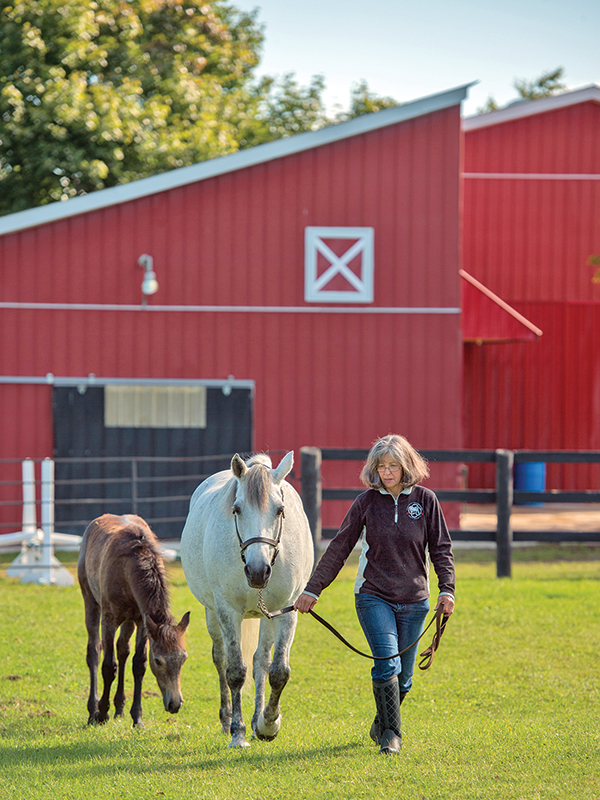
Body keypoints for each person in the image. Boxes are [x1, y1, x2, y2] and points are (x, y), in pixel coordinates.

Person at [294, 434, 455, 755]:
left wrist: (446, 589)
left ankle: (383, 719)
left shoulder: (425, 501)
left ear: (407, 466)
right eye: (382, 467)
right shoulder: (366, 503)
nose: (387, 472)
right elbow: (339, 548)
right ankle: (391, 736)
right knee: (386, 665)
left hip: (415, 600)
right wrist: (313, 588)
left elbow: (441, 549)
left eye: (394, 466)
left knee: (405, 679)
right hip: (373, 596)